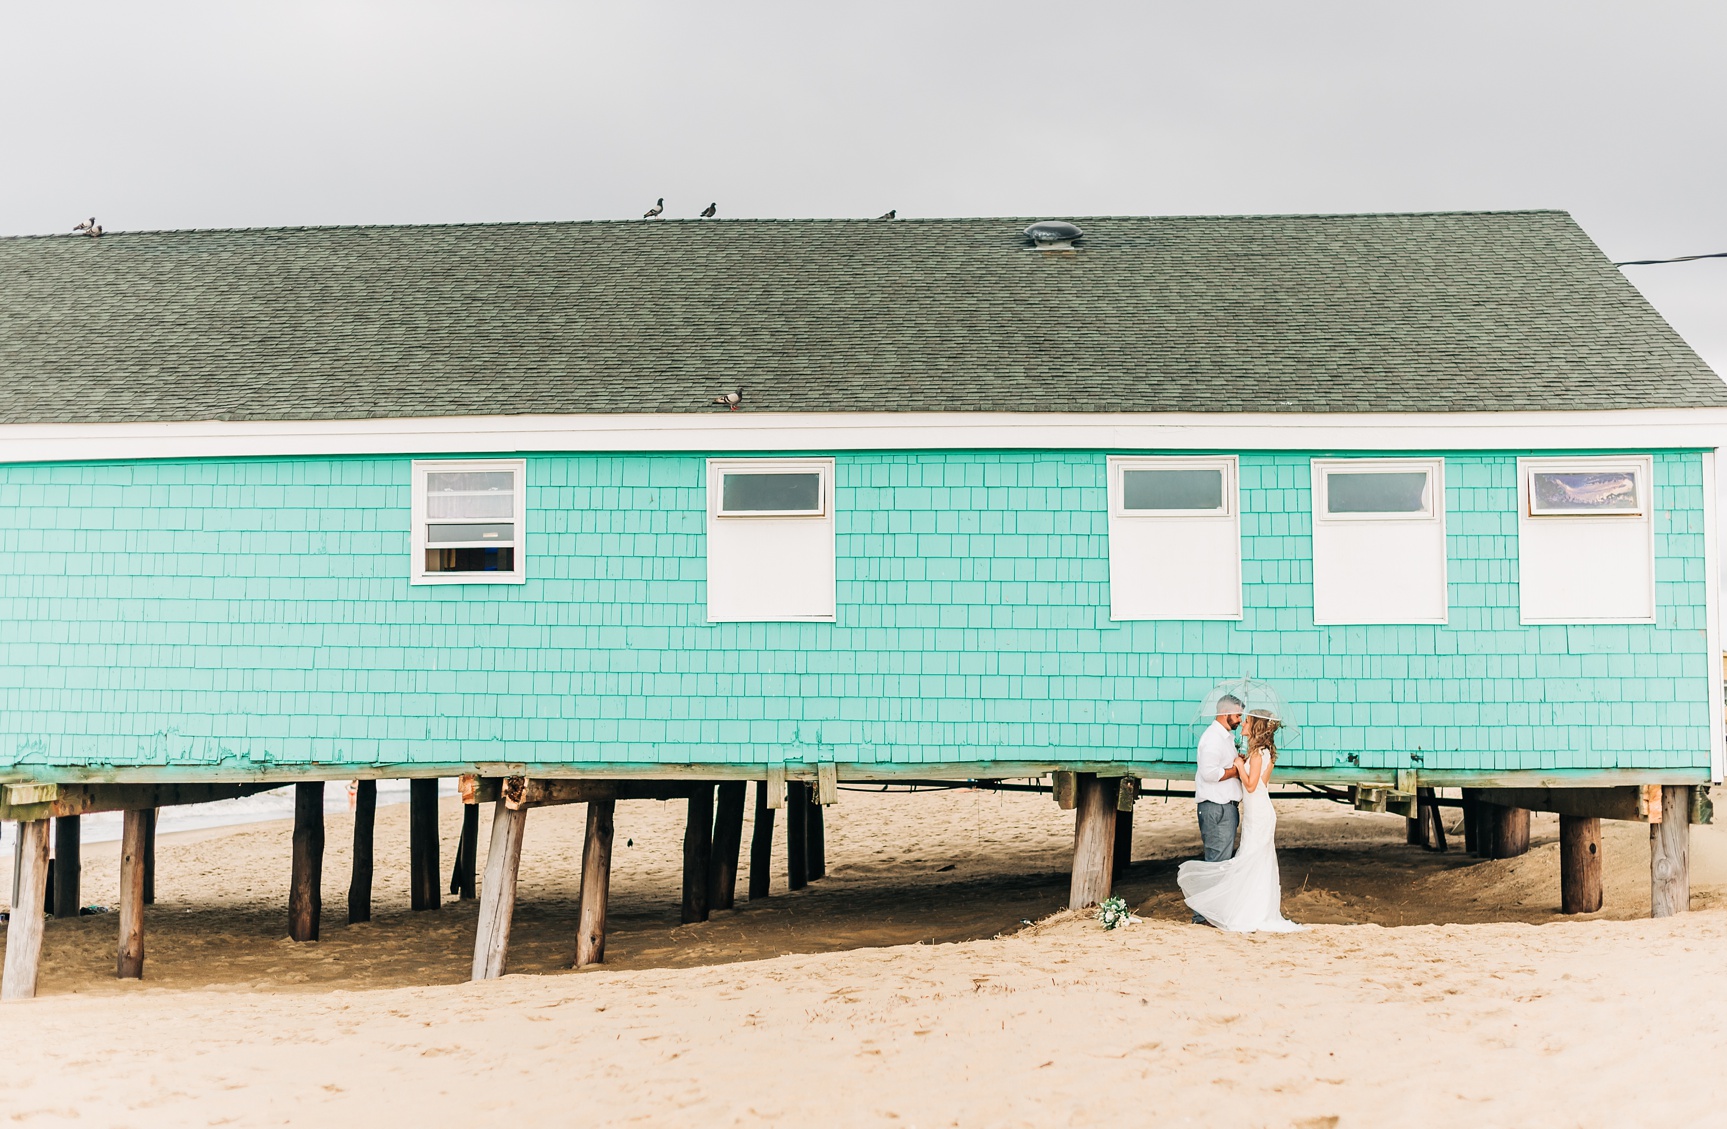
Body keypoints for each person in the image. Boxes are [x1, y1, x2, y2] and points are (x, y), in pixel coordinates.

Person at [1178, 712, 1302, 933]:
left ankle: (1246, 911)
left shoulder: (1256, 754)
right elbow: (1261, 784)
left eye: (1247, 721)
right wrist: (1245, 766)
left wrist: (1238, 765)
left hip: (1257, 814)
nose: (1243, 723)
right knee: (1257, 860)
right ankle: (1257, 909)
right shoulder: (1266, 754)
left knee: (1250, 858)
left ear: (1255, 727)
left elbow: (1252, 785)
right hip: (1262, 811)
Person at [1190, 695, 1244, 924]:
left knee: (1220, 862)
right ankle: (1202, 917)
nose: (1240, 720)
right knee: (1217, 864)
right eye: (1238, 715)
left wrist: (1236, 761)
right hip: (1217, 808)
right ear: (1225, 713)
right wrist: (1235, 770)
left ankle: (1210, 913)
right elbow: (1210, 773)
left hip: (1224, 806)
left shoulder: (1225, 738)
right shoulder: (1212, 739)